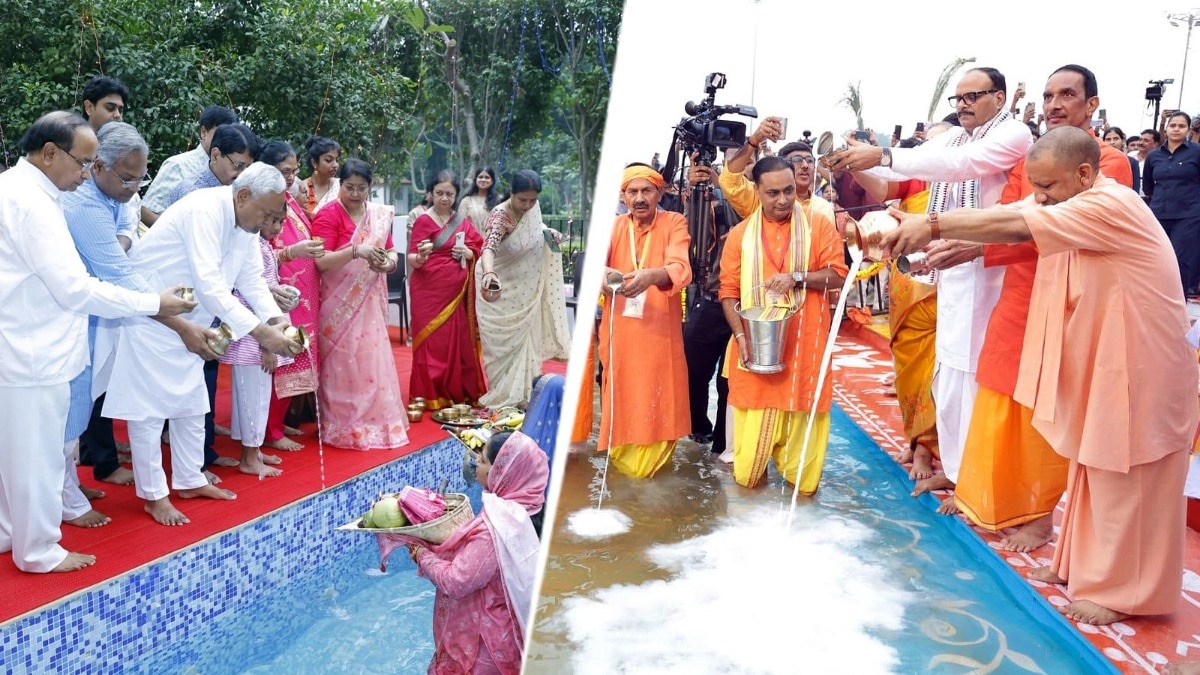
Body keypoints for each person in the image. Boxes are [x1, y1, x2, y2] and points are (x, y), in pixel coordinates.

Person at [881, 125, 1198, 626]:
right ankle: (1084, 568)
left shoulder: (1108, 205)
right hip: (1112, 360)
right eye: (1035, 186)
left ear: (1085, 174)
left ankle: (1126, 594)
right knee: (1093, 467)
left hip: (1143, 366)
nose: (1040, 197)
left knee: (1127, 476)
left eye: (1047, 187)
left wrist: (934, 225)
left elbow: (1018, 222)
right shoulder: (1080, 200)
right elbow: (1020, 214)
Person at [0, 111, 195, 572]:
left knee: (15, 455)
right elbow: (75, 287)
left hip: (22, 343)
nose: (87, 173)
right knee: (39, 458)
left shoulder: (16, 188)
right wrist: (154, 303)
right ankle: (40, 550)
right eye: (83, 162)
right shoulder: (33, 203)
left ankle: (11, 532)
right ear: (50, 153)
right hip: (33, 350)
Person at [825, 67, 1031, 500]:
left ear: (1000, 96)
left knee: (976, 377)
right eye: (958, 99)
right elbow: (910, 170)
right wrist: (857, 161)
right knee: (949, 375)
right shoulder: (953, 139)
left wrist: (882, 154)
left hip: (990, 270)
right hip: (949, 271)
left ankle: (977, 481)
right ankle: (955, 472)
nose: (964, 105)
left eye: (973, 96)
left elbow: (961, 166)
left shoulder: (1013, 134)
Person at [954, 64, 1133, 551]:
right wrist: (971, 237)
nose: (1054, 104)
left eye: (1067, 94)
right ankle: (986, 498)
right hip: (1020, 288)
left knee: (1046, 405)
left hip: (1068, 294)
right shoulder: (1034, 157)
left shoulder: (1106, 162)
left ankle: (1038, 513)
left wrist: (972, 242)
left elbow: (1042, 224)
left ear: (1091, 104)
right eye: (1049, 94)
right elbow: (1011, 211)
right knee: (999, 387)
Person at [102, 163, 300, 526]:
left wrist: (278, 323)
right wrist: (260, 333)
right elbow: (210, 284)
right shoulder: (204, 209)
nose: (268, 222)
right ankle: (153, 495)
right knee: (148, 410)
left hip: (196, 321)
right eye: (268, 214)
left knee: (191, 404)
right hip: (154, 312)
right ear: (243, 195)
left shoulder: (245, 222)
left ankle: (190, 479)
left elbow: (251, 278)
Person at [61, 122, 217, 525]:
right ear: (98, 167)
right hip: (77, 318)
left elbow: (126, 232)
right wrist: (181, 325)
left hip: (102, 315)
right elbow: (117, 272)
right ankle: (65, 499)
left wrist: (123, 240)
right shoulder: (84, 204)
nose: (135, 188)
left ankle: (66, 488)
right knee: (69, 410)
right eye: (128, 178)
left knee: (79, 407)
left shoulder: (114, 194)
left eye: (139, 178)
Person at [718, 156, 847, 491]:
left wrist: (797, 277)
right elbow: (729, 292)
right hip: (757, 355)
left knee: (804, 486)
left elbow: (838, 276)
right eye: (772, 193)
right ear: (757, 192)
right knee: (747, 476)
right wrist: (740, 337)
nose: (783, 200)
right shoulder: (740, 235)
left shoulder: (819, 225)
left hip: (805, 349)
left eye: (789, 191)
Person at [403, 430, 548, 674]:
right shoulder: (530, 508)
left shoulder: (496, 527)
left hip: (483, 645)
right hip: (510, 631)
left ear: (499, 473)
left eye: (481, 461)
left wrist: (421, 553)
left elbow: (456, 581)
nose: (474, 465)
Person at [597, 165, 692, 479]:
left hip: (659, 333)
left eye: (646, 191)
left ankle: (649, 477)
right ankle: (628, 474)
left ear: (659, 193)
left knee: (660, 396)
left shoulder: (674, 222)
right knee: (622, 392)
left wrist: (653, 275)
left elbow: (680, 267)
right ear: (622, 196)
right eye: (632, 192)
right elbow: (595, 264)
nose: (639, 198)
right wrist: (605, 276)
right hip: (620, 333)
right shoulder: (612, 227)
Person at [311, 159, 410, 450]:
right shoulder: (328, 215)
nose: (355, 193)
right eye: (349, 187)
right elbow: (321, 262)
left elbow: (391, 251)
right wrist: (355, 251)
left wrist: (387, 264)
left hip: (369, 302)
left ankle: (376, 426)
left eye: (362, 188)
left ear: (370, 187)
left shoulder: (377, 214)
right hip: (338, 304)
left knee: (371, 363)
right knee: (344, 364)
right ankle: (344, 428)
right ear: (339, 184)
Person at [475, 170, 571, 410]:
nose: (528, 205)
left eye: (533, 200)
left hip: (525, 293)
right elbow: (488, 248)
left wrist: (548, 234)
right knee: (501, 350)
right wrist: (489, 273)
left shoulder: (531, 212)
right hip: (498, 287)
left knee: (525, 343)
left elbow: (534, 229)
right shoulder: (500, 216)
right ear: (511, 194)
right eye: (522, 200)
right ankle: (502, 398)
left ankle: (525, 397)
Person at [260, 140, 325, 451]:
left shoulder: (290, 199)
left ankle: (277, 422)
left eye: (294, 171)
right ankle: (269, 431)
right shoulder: (264, 203)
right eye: (285, 171)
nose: (291, 176)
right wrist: (292, 252)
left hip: (303, 294)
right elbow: (259, 253)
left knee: (296, 356)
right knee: (282, 358)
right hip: (281, 293)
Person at [406, 170, 487, 410]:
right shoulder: (423, 220)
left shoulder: (461, 222)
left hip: (457, 293)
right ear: (430, 193)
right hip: (428, 292)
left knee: (456, 341)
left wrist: (469, 253)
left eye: (449, 194)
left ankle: (455, 391)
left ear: (456, 196)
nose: (444, 198)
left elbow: (478, 248)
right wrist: (420, 256)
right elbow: (412, 256)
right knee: (431, 343)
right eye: (439, 193)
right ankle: (428, 393)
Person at [141, 105, 238, 226]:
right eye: (220, 134)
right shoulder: (178, 165)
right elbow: (146, 211)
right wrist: (177, 235)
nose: (225, 140)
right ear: (203, 132)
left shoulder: (236, 170)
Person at [1144, 111, 1200, 297]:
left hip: (1188, 215)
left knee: (1181, 261)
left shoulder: (1196, 152)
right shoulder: (1153, 156)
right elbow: (1148, 186)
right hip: (1159, 214)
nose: (1176, 129)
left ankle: (1178, 306)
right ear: (1166, 129)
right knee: (1156, 259)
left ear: (1188, 129)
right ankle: (1155, 303)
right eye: (1173, 125)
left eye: (1181, 126)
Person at [167, 123, 258, 206]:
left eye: (249, 167)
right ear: (215, 156)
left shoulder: (238, 189)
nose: (243, 174)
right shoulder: (192, 193)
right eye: (238, 165)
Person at [299, 135, 341, 220]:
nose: (335, 165)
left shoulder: (341, 186)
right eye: (329, 160)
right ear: (314, 162)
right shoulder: (301, 188)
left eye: (337, 160)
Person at [459, 166, 499, 236]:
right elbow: (460, 226)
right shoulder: (466, 201)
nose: (483, 180)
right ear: (476, 180)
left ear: (492, 181)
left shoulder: (498, 200)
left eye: (487, 177)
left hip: (491, 243)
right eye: (480, 177)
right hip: (470, 243)